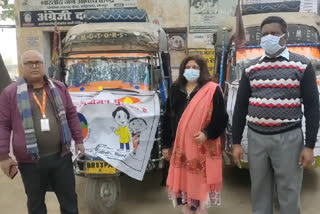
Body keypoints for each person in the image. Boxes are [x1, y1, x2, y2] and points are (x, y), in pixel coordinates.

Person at [232, 16, 319, 214]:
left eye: (274, 33)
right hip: (256, 138)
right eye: (264, 35)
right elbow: (241, 106)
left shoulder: (302, 66)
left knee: (289, 191)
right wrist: (236, 142)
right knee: (259, 191)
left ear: (285, 37)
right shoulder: (250, 68)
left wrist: (309, 146)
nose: (268, 38)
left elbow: (313, 107)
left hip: (289, 139)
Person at [0, 50, 85, 214]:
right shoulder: (10, 93)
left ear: (43, 65)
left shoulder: (59, 87)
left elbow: (71, 114)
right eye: (29, 63)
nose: (34, 66)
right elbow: (3, 125)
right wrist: (3, 155)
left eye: (38, 62)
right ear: (21, 67)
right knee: (36, 204)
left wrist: (79, 140)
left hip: (62, 157)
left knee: (69, 202)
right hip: (30, 162)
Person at [161, 55, 228, 214]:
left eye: (195, 67)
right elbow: (167, 117)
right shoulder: (176, 89)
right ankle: (188, 210)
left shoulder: (211, 90)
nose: (191, 70)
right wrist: (165, 144)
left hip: (202, 149)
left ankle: (200, 211)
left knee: (199, 186)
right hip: (181, 149)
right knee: (184, 186)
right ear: (183, 69)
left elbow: (221, 118)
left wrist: (207, 133)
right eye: (188, 67)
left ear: (202, 70)